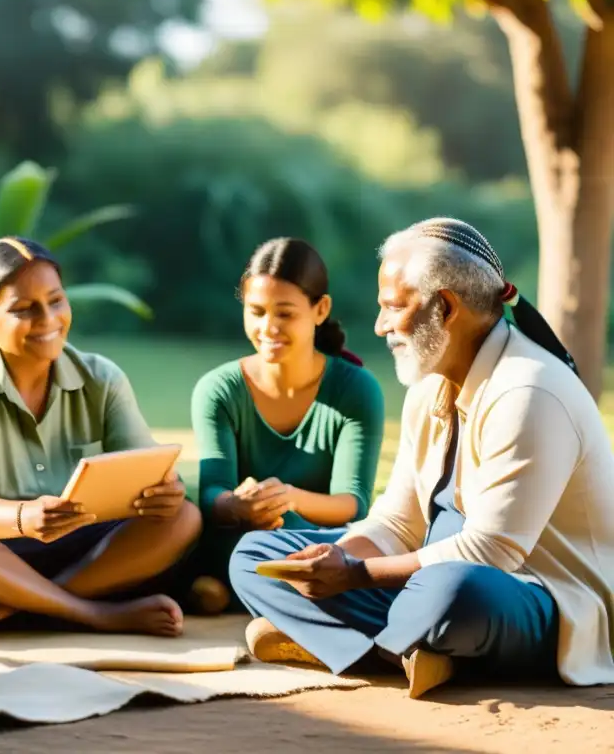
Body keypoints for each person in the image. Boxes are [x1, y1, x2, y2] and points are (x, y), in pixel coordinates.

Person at [229, 217, 614, 699]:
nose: (380, 325)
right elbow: (397, 521)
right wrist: (339, 558)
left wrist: (354, 574)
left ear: (446, 306)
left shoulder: (530, 390)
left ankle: (367, 644)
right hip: (426, 576)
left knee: (450, 594)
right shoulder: (430, 384)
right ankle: (417, 652)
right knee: (256, 556)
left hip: (532, 596)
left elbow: (490, 554)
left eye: (392, 307)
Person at [0, 236, 201, 641]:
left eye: (56, 301)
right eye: (25, 309)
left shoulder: (102, 377)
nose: (47, 319)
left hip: (79, 549)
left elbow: (150, 467)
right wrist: (23, 517)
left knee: (183, 515)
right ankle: (95, 615)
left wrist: (167, 490)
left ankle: (8, 610)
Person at [188, 237, 385, 614]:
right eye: (256, 311)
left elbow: (353, 503)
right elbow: (212, 491)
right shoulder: (219, 390)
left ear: (320, 309)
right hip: (238, 535)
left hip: (320, 540)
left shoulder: (356, 389)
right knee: (207, 534)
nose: (268, 327)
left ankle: (242, 595)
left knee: (335, 544)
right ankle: (273, 600)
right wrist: (238, 505)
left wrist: (287, 498)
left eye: (285, 313)